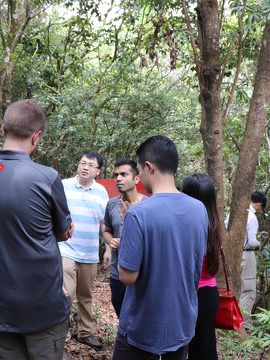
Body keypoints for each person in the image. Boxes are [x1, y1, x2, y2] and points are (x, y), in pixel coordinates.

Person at [0, 100, 74, 360]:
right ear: (36, 137)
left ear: (2, 130)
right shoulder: (46, 177)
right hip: (41, 308)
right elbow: (63, 232)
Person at [113, 135, 208, 360]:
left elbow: (127, 276)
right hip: (181, 323)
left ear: (149, 167)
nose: (138, 176)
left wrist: (126, 229)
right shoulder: (199, 209)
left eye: (138, 169)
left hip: (142, 325)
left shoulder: (138, 213)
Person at [60, 151, 109, 349]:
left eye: (90, 165)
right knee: (65, 293)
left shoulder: (101, 193)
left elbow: (105, 224)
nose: (85, 167)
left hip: (89, 253)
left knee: (86, 295)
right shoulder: (63, 186)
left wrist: (108, 250)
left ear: (98, 170)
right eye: (82, 163)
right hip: (65, 249)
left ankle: (86, 333)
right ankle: (59, 335)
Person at [181, 174, 221, 360]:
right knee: (206, 349)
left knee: (197, 350)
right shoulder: (213, 222)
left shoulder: (192, 224)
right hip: (209, 294)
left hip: (194, 294)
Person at [102, 158, 147, 317]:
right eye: (116, 175)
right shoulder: (112, 204)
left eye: (123, 174)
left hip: (141, 273)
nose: (118, 179)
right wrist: (110, 240)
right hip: (117, 272)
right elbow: (106, 230)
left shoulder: (148, 205)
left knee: (140, 316)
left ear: (136, 179)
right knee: (121, 314)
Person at [239, 191, 266, 331]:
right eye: (261, 207)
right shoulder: (251, 217)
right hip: (246, 254)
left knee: (235, 288)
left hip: (233, 255)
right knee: (248, 289)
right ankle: (244, 324)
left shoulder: (235, 213)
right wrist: (258, 245)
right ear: (258, 205)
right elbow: (251, 242)